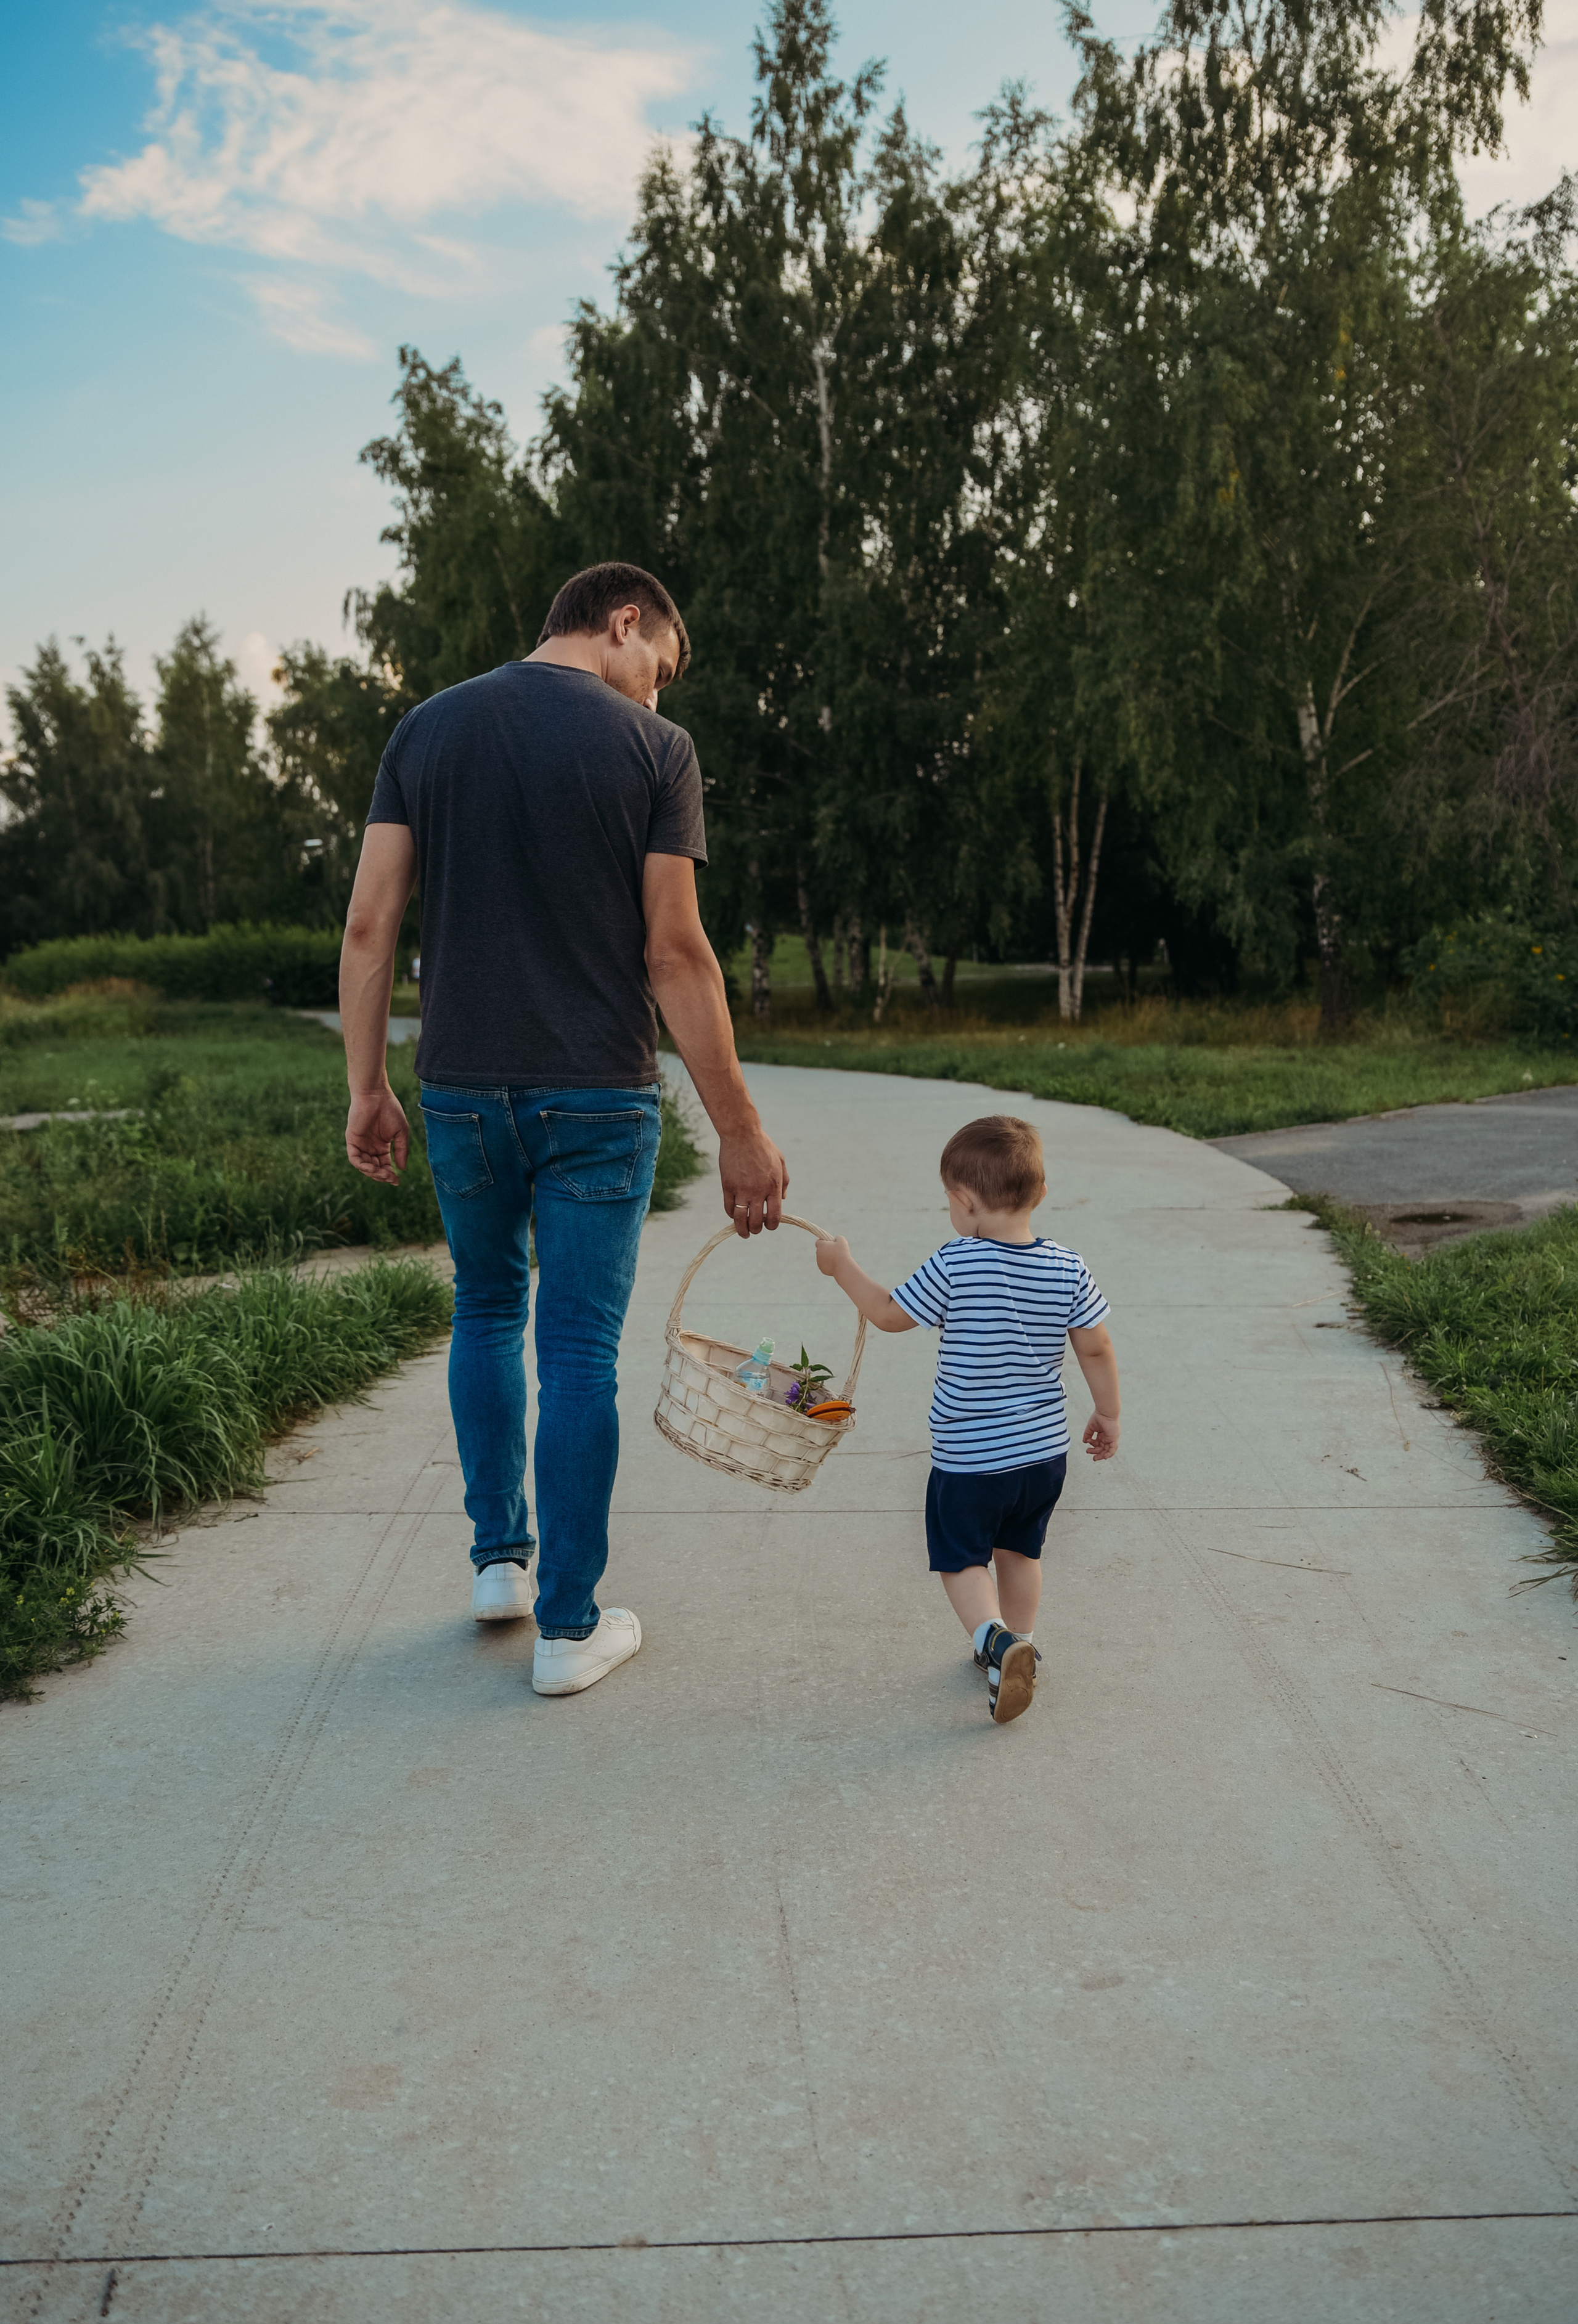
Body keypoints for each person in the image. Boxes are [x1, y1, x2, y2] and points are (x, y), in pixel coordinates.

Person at [337, 561, 789, 1698]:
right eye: (662, 670)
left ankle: (501, 1560)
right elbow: (676, 954)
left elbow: (366, 923)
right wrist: (740, 1130)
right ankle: (569, 1626)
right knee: (578, 1348)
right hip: (597, 1093)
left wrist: (366, 1085)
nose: (658, 695)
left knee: (486, 1305)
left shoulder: (425, 729)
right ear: (623, 623)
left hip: (459, 1090)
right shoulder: (654, 752)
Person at [813, 1114, 1119, 1724]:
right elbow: (1095, 1347)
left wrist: (839, 1266)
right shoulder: (1067, 1266)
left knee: (961, 1558)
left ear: (963, 1202)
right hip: (1042, 1455)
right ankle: (1021, 1642)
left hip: (972, 1458)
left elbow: (889, 1314)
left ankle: (994, 1640)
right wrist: (1107, 1412)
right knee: (1020, 1551)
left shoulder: (957, 1262)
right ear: (1041, 1194)